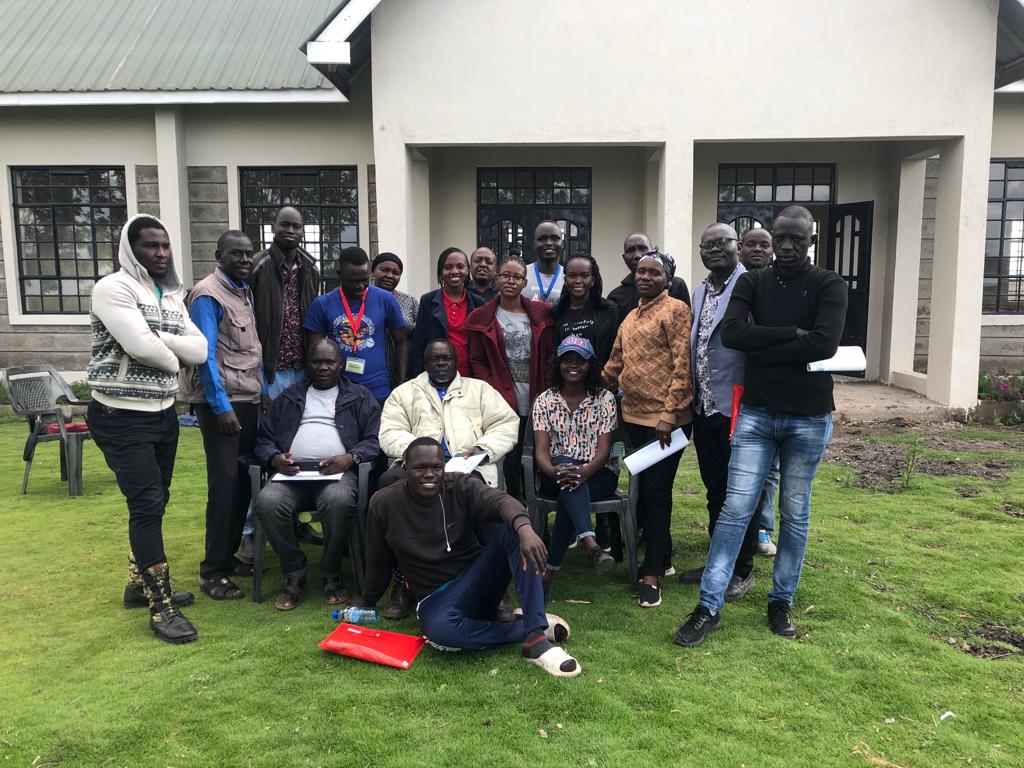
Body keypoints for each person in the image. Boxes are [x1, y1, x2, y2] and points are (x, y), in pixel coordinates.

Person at [674, 205, 847, 646]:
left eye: (797, 240)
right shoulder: (753, 282)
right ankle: (708, 606)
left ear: (811, 240)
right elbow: (733, 334)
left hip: (808, 416)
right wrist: (791, 334)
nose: (786, 246)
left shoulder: (828, 284)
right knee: (734, 509)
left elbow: (825, 344)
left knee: (795, 512)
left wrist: (765, 343)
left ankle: (780, 601)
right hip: (756, 413)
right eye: (780, 238)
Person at [355, 437, 582, 678]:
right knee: (442, 633)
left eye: (437, 467)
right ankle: (525, 627)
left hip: (477, 580)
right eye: (420, 468)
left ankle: (535, 640)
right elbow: (378, 561)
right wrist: (367, 601)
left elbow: (501, 501)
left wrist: (525, 528)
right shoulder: (384, 503)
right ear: (404, 468)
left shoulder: (460, 486)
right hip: (435, 598)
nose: (429, 474)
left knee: (514, 530)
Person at [87, 214, 207, 644]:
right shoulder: (113, 288)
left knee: (158, 500)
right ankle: (161, 606)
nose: (160, 253)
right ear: (130, 249)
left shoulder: (171, 295)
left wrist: (160, 340)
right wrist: (171, 353)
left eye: (164, 246)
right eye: (150, 246)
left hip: (163, 413)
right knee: (146, 505)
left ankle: (138, 585)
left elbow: (200, 349)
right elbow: (143, 348)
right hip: (120, 414)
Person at [377, 337, 520, 618]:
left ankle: (497, 588)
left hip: (467, 467)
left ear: (456, 361)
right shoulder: (405, 393)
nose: (441, 363)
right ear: (425, 362)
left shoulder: (479, 390)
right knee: (387, 486)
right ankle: (402, 584)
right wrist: (416, 453)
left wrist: (482, 449)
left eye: (446, 359)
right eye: (434, 359)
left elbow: (507, 423)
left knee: (483, 497)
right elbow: (389, 431)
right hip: (418, 469)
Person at [253, 340, 381, 610]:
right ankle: (295, 573)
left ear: (340, 364)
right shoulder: (289, 397)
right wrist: (275, 459)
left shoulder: (359, 396)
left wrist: (351, 457)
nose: (323, 367)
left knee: (338, 500)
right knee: (267, 501)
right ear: (308, 365)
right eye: (316, 362)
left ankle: (331, 572)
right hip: (293, 475)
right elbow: (264, 439)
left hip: (337, 474)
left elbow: (374, 440)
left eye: (329, 362)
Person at [602, 249, 693, 608]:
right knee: (639, 492)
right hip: (632, 419)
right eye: (641, 271)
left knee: (656, 494)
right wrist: (590, 388)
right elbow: (615, 362)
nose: (645, 277)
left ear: (667, 279)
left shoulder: (676, 310)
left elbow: (683, 367)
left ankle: (651, 573)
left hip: (664, 424)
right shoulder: (630, 316)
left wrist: (669, 415)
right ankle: (662, 556)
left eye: (654, 272)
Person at [180, 230, 265, 602]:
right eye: (236, 254)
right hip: (223, 405)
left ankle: (228, 557)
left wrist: (262, 392)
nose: (244, 260)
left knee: (244, 481)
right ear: (219, 256)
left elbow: (248, 350)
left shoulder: (242, 291)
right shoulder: (207, 295)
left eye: (248, 254)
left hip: (248, 397)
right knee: (225, 484)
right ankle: (212, 571)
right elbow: (205, 355)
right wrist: (220, 406)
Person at [678, 223, 759, 602]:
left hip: (738, 406)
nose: (712, 249)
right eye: (706, 244)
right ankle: (718, 561)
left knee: (740, 492)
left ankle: (742, 568)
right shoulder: (700, 290)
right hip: (705, 407)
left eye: (720, 243)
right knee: (715, 488)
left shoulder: (752, 285)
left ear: (737, 246)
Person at [533, 336, 618, 598]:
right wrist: (553, 471)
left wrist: (584, 472)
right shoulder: (544, 401)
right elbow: (541, 451)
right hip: (556, 474)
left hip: (598, 473)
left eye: (580, 361)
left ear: (590, 365)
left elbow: (604, 451)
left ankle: (548, 574)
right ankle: (591, 545)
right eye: (567, 360)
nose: (573, 365)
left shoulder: (604, 399)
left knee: (569, 492)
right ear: (557, 364)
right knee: (565, 469)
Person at [466, 256, 554, 500]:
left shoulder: (541, 314)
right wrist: (493, 388)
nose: (511, 281)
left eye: (517, 277)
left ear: (525, 282)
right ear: (497, 278)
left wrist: (548, 388)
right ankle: (515, 504)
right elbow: (477, 359)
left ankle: (537, 508)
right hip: (503, 400)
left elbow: (550, 354)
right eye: (506, 275)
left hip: (536, 397)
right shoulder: (483, 316)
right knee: (511, 460)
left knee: (537, 456)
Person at [304, 246, 408, 405]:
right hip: (337, 392)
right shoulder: (322, 304)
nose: (360, 286)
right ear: (339, 274)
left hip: (378, 391)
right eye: (353, 281)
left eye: (365, 280)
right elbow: (314, 352)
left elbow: (401, 341)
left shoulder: (386, 299)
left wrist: (401, 380)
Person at [738, 226, 780, 557]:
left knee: (770, 468)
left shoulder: (780, 285)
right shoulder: (735, 283)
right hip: (736, 385)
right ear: (740, 248)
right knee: (739, 466)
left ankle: (763, 528)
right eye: (750, 244)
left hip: (771, 386)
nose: (757, 249)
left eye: (764, 245)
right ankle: (738, 529)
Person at [249, 206, 320, 399]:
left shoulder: (311, 270)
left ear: (302, 231)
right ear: (273, 227)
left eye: (296, 226)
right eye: (285, 225)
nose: (290, 230)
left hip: (302, 368)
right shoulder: (257, 265)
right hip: (271, 370)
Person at [411, 247, 486, 377]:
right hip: (436, 376)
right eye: (448, 267)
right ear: (441, 271)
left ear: (468, 270)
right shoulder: (428, 301)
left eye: (460, 266)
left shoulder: (479, 303)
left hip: (471, 377)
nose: (455, 271)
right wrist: (418, 378)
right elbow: (418, 344)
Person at [550, 253, 619, 370]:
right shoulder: (557, 313)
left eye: (584, 275)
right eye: (572, 276)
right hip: (568, 378)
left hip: (601, 378)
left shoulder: (609, 309)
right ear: (565, 280)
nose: (578, 280)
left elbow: (617, 351)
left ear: (593, 279)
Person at [607, 232, 691, 326]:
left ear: (653, 251)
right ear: (624, 258)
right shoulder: (616, 296)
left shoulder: (677, 285)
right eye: (630, 251)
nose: (637, 255)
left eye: (642, 248)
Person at [370, 252, 418, 389]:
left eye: (396, 273)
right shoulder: (363, 300)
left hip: (405, 373)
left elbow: (420, 332)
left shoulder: (409, 301)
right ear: (373, 272)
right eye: (384, 270)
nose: (390, 275)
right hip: (373, 373)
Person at [522, 221, 565, 305]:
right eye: (542, 239)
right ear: (534, 245)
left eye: (555, 238)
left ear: (562, 244)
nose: (549, 243)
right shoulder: (521, 275)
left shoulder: (569, 278)